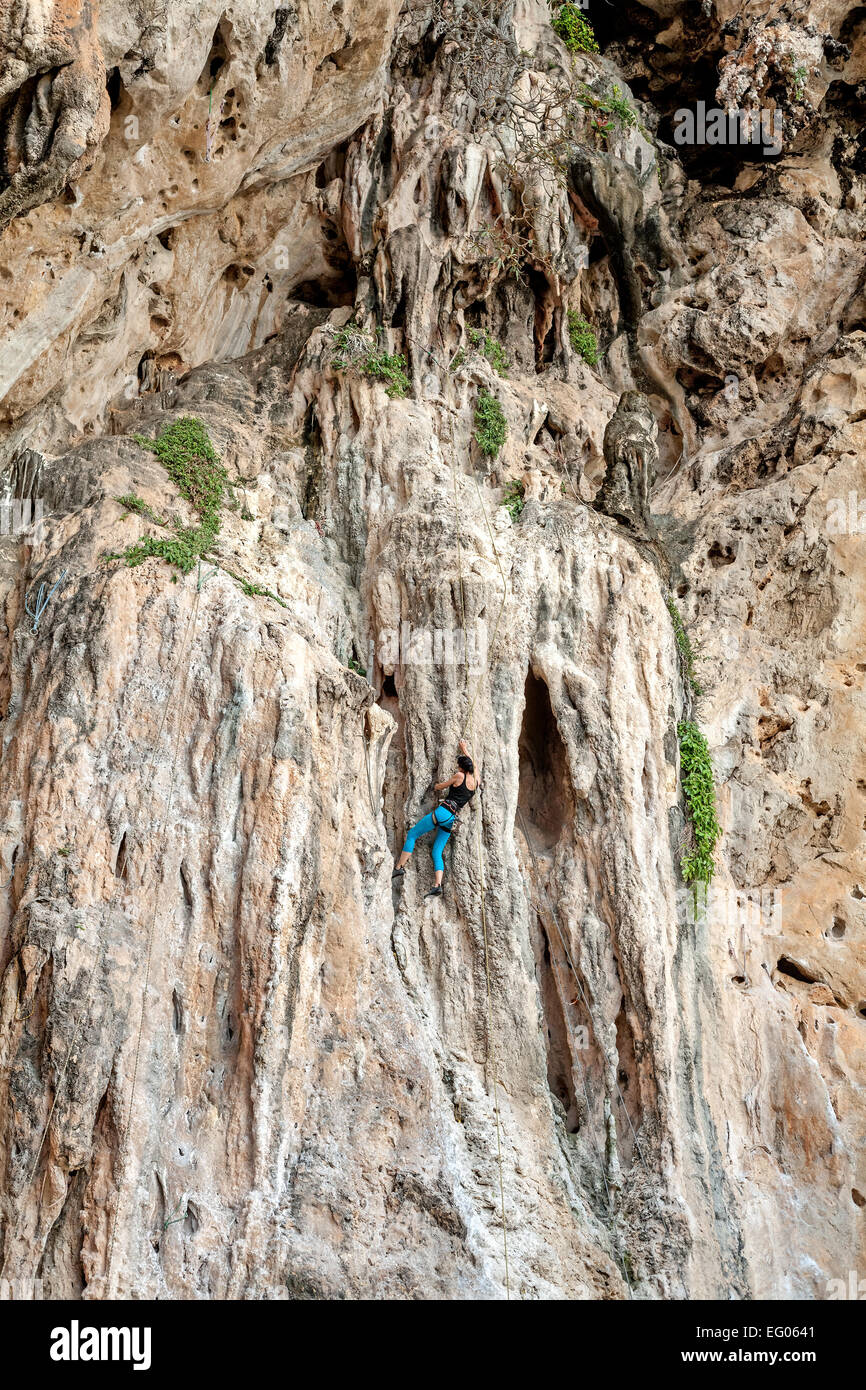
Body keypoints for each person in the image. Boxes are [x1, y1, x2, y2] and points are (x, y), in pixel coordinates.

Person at [392, 738, 479, 896]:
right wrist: (464, 749)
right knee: (437, 851)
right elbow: (474, 765)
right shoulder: (475, 781)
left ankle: (399, 867)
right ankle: (437, 885)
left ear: (461, 767)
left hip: (443, 811)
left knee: (412, 835)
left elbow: (441, 786)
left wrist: (436, 786)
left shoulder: (459, 776)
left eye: (458, 765)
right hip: (452, 818)